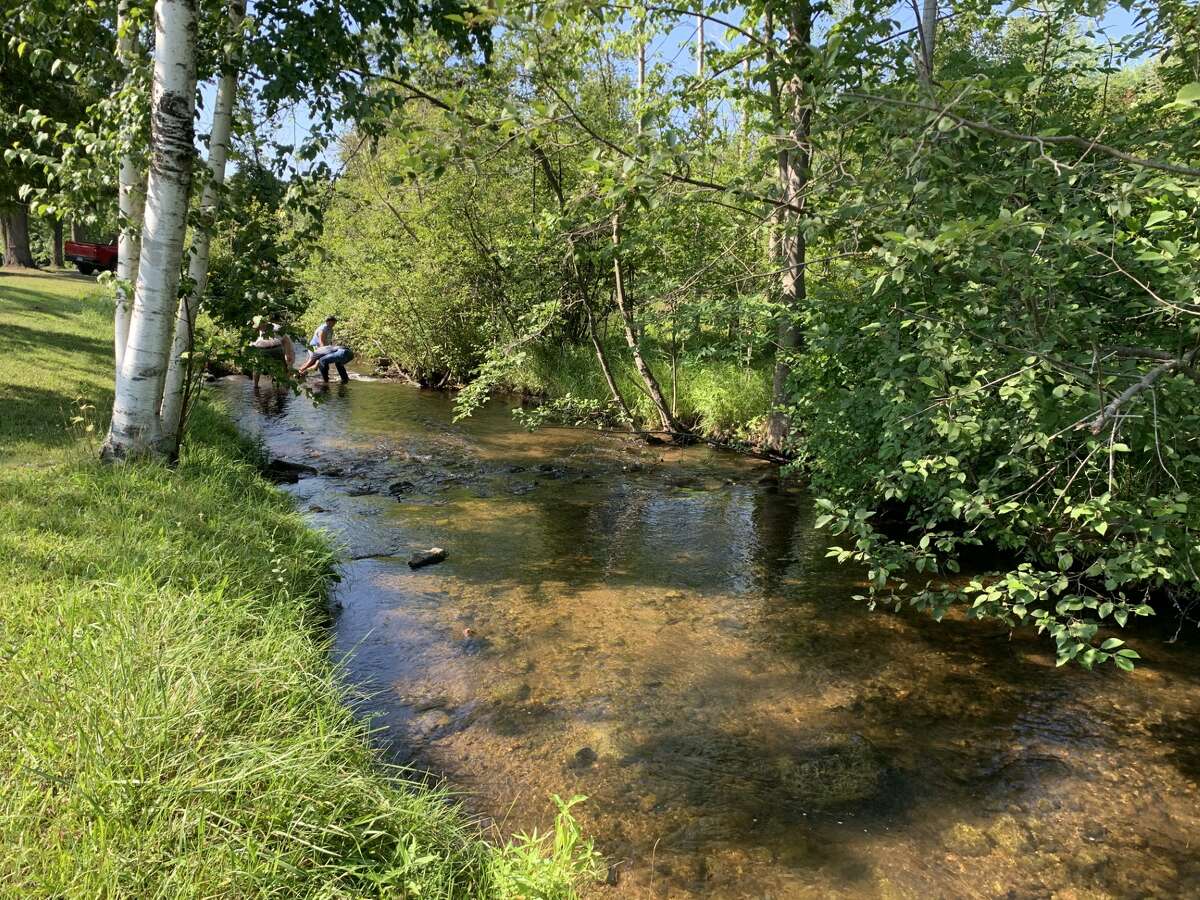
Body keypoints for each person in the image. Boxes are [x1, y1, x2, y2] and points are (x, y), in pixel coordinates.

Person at [248, 315, 294, 388]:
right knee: (257, 367)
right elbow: (250, 344)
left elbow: (286, 340)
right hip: (260, 350)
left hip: (276, 349)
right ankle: (255, 386)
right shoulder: (254, 331)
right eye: (258, 326)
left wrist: (287, 354)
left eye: (260, 325)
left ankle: (284, 385)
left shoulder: (276, 328)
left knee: (282, 367)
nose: (259, 327)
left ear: (265, 322)